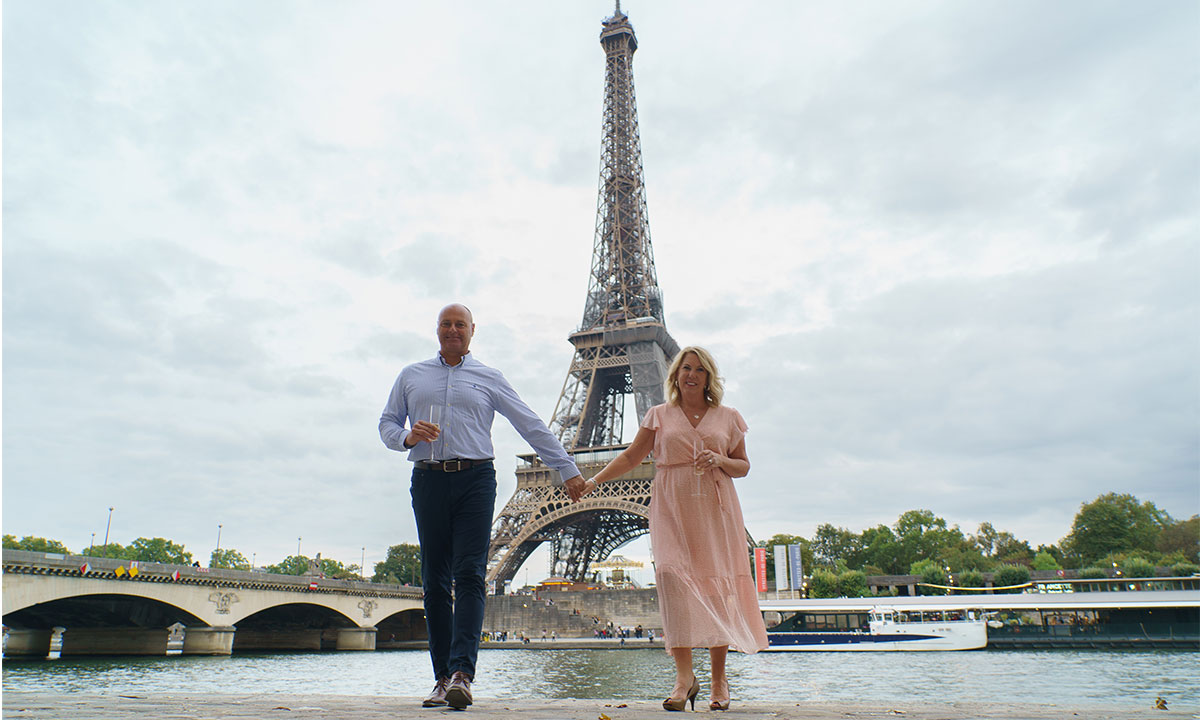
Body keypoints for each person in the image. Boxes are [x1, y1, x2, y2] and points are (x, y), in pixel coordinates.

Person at [380, 303, 587, 710]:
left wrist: (567, 468)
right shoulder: (411, 376)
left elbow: (529, 423)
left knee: (471, 573)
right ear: (437, 329)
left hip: (476, 478)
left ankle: (462, 674)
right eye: (446, 324)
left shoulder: (489, 378)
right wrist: (407, 437)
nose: (453, 330)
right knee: (435, 580)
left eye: (460, 324)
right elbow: (387, 423)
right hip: (428, 476)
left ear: (472, 331)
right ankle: (441, 679)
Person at [582, 346, 767, 712]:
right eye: (685, 368)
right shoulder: (659, 415)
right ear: (675, 375)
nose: (692, 375)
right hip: (670, 505)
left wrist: (719, 459)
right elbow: (632, 457)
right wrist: (595, 480)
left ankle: (718, 679)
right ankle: (685, 677)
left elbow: (743, 466)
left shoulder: (727, 416)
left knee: (717, 586)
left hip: (715, 509)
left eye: (699, 369)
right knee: (671, 578)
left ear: (708, 376)